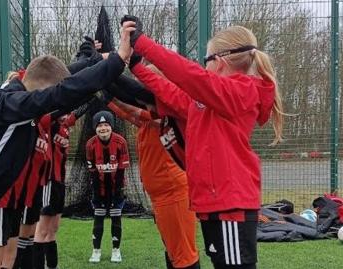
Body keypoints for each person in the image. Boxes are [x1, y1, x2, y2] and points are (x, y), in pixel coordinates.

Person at [0, 29, 133, 268]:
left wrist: (93, 59)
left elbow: (61, 80)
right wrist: (117, 59)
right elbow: (62, 92)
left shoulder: (22, 98)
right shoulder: (10, 104)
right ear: (40, 92)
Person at [120, 16, 284, 269]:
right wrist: (137, 66)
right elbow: (172, 95)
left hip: (231, 204)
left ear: (218, 62)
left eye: (205, 61)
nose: (202, 67)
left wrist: (142, 43)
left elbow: (190, 77)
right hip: (215, 203)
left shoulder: (242, 91)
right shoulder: (209, 101)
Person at [103, 92, 200, 269]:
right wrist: (104, 95)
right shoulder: (148, 122)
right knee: (172, 251)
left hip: (173, 194)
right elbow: (126, 113)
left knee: (184, 255)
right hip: (162, 196)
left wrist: (104, 86)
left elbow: (130, 110)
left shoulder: (164, 119)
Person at [32, 100, 95, 269]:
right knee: (41, 230)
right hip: (48, 182)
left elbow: (78, 111)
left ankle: (52, 265)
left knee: (53, 229)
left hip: (60, 183)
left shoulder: (65, 124)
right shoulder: (47, 124)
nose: (67, 114)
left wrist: (92, 95)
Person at [86, 111, 129, 263]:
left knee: (116, 217)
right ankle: (96, 251)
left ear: (111, 126)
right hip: (100, 190)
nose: (103, 128)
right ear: (95, 128)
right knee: (98, 217)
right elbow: (92, 172)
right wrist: (97, 193)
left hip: (116, 189)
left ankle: (116, 250)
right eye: (99, 126)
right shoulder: (90, 144)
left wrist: (117, 192)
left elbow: (122, 169)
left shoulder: (121, 142)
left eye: (106, 125)